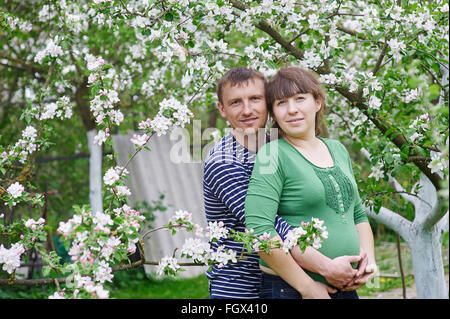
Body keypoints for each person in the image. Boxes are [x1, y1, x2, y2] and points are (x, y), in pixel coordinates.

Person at [203, 67, 339, 299]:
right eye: (236, 102)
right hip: (241, 288)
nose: (247, 110)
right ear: (222, 109)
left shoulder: (279, 147)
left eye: (255, 99)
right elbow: (267, 226)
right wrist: (325, 268)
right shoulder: (223, 163)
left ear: (267, 102)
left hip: (285, 281)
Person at [244, 66, 377, 299]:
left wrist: (368, 263)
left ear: (317, 102)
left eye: (300, 99)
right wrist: (308, 288)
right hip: (296, 291)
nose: (292, 110)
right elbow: (258, 231)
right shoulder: (272, 155)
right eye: (281, 102)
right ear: (274, 112)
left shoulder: (337, 148)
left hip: (346, 288)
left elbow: (357, 214)